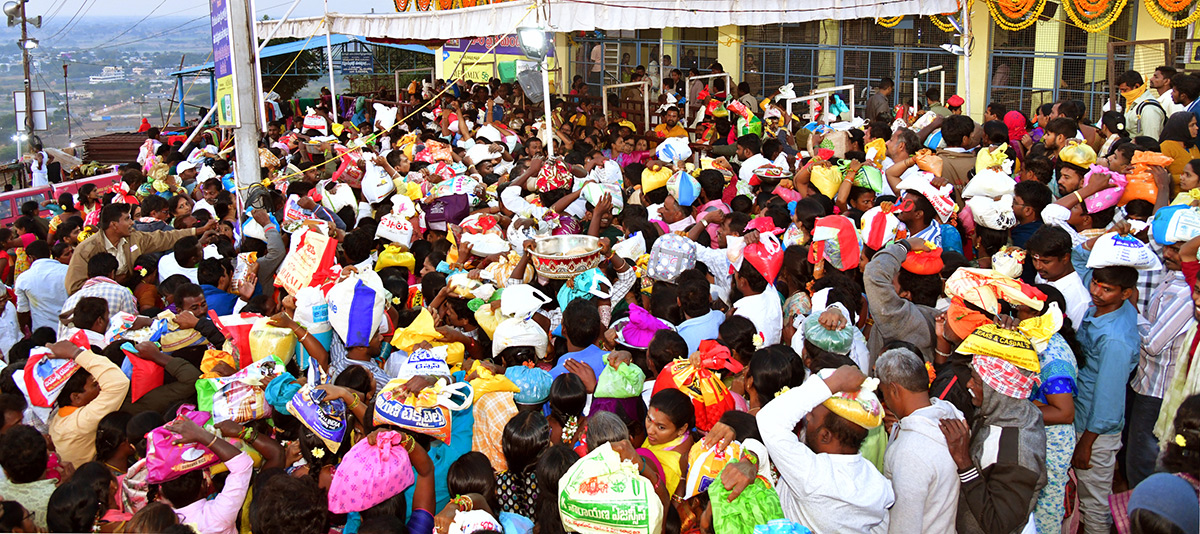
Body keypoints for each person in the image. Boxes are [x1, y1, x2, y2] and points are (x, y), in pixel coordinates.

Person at [756, 365, 895, 532]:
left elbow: (769, 420)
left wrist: (834, 383)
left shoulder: (813, 474)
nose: (806, 416)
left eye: (812, 417)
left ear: (825, 436)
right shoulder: (878, 483)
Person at [875, 347, 963, 534]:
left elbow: (904, 526)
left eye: (883, 392)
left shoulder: (911, 452)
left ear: (893, 390)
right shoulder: (950, 414)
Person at [65, 203, 213, 294]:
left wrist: (197, 231)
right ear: (114, 225)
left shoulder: (134, 238)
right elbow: (74, 287)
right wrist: (110, 282)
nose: (132, 223)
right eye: (127, 219)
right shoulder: (86, 250)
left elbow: (165, 238)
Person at [46, 338, 131, 469]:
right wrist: (74, 352)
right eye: (94, 385)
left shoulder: (60, 418)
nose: (100, 387)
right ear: (76, 397)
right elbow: (118, 383)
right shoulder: (80, 422)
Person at [14, 239, 68, 334]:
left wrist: (23, 330)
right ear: (49, 252)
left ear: (31, 258)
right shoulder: (67, 270)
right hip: (70, 328)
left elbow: (23, 311)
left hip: (43, 332)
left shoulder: (23, 278)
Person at [1118, 70, 1166, 139]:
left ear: (1136, 86)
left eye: (1125, 90)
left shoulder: (1149, 109)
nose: (1122, 93)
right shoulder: (1132, 103)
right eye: (1121, 91)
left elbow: (1151, 140)